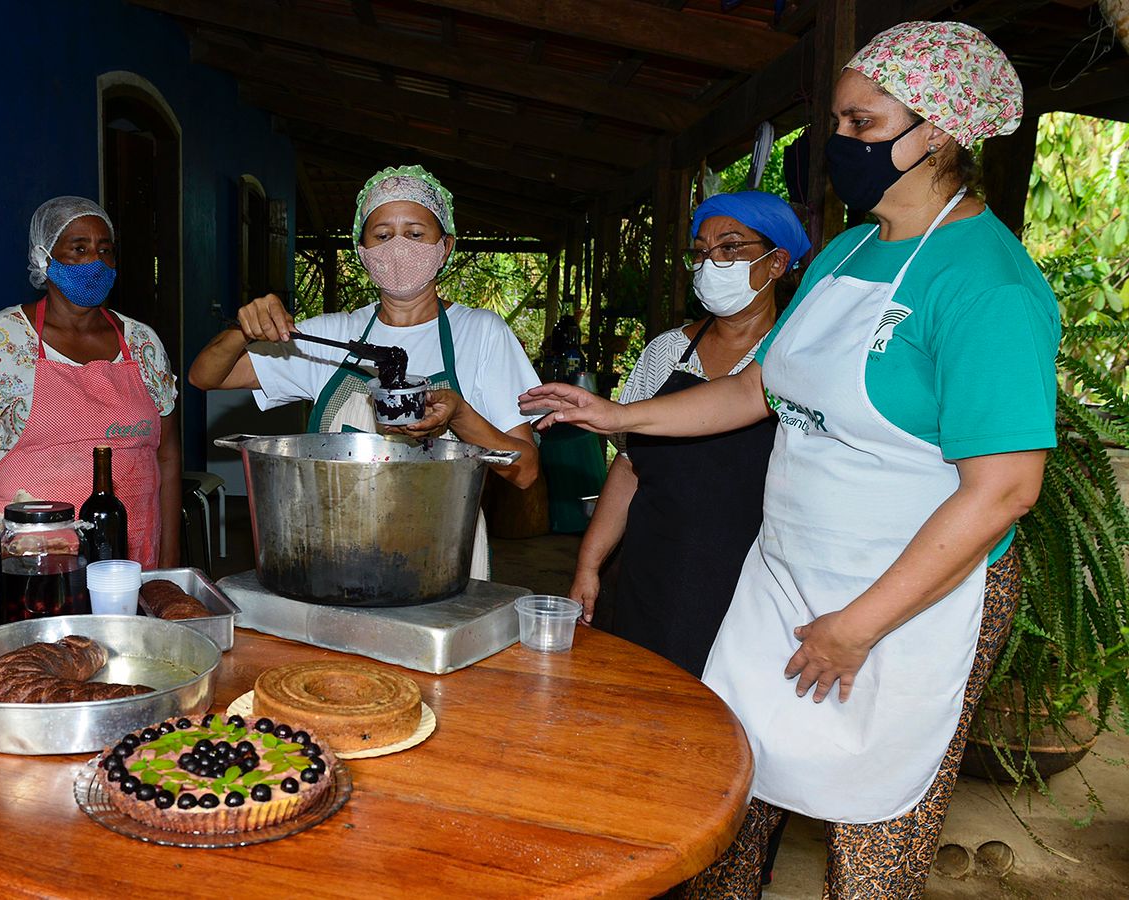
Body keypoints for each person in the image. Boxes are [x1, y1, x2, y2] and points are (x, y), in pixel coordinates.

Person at [522, 22, 1058, 897]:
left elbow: (1005, 489)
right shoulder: (844, 254)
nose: (835, 146)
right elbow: (759, 389)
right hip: (785, 575)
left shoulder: (986, 285)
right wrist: (621, 413)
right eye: (837, 124)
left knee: (874, 836)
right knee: (730, 792)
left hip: (910, 597)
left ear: (940, 134)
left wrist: (858, 626)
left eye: (859, 124)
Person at [188, 165, 540, 578]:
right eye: (383, 235)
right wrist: (241, 330)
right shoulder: (333, 333)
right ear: (362, 249)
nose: (398, 248)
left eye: (415, 233)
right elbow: (205, 377)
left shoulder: (480, 334)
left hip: (441, 560)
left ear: (445, 247)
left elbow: (525, 470)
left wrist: (460, 415)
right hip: (336, 554)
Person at [573, 190, 809, 678]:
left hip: (750, 579)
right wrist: (589, 563)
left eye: (730, 248)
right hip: (652, 568)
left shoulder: (795, 358)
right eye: (701, 251)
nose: (710, 263)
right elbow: (630, 464)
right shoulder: (666, 352)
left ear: (777, 262)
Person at [0, 197, 181, 567]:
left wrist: (169, 564)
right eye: (79, 249)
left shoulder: (142, 342)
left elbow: (167, 454)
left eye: (106, 250)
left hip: (134, 553)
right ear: (44, 257)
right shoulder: (6, 341)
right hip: (33, 560)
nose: (96, 262)